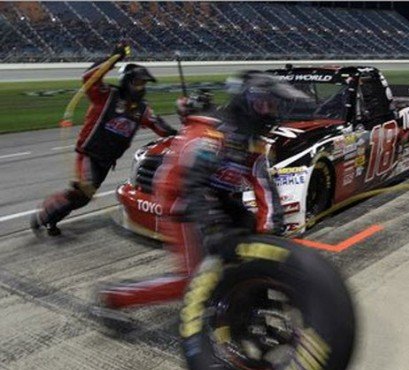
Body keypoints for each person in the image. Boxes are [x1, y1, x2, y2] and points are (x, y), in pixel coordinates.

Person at [94, 72, 307, 312]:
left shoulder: (252, 142)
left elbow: (264, 188)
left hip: (214, 196)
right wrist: (214, 228)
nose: (270, 112)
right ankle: (113, 298)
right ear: (248, 103)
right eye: (265, 105)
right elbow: (191, 185)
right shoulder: (210, 135)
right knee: (191, 281)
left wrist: (271, 231)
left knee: (248, 234)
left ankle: (244, 293)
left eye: (274, 106)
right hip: (180, 201)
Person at [31, 42, 178, 236]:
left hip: (107, 161)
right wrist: (113, 58)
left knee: (83, 197)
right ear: (126, 81)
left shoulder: (141, 109)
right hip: (89, 154)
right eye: (137, 82)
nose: (141, 87)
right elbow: (88, 77)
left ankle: (50, 217)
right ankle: (45, 216)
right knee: (83, 192)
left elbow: (161, 127)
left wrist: (181, 135)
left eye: (144, 83)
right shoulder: (106, 95)